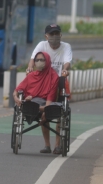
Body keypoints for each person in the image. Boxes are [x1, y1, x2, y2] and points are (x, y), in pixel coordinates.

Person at [26, 24, 72, 154]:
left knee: (60, 111)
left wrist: (64, 69)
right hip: (43, 81)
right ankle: (47, 145)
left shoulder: (66, 47)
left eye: (57, 33)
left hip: (58, 81)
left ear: (60, 35)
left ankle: (57, 144)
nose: (54, 37)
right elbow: (32, 59)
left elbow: (67, 61)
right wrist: (30, 68)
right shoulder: (42, 45)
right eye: (52, 34)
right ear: (46, 36)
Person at [13, 52, 60, 153]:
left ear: (47, 61)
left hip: (45, 102)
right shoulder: (31, 76)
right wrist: (16, 97)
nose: (39, 62)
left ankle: (54, 145)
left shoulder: (53, 76)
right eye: (37, 60)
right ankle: (47, 146)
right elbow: (18, 89)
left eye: (42, 60)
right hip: (32, 101)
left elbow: (50, 97)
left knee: (53, 109)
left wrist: (46, 110)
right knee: (28, 102)